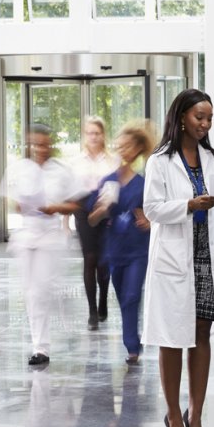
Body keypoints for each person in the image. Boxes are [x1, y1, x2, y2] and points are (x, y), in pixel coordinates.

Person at [142, 88, 214, 427]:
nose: (205, 124)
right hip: (174, 259)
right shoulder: (159, 161)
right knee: (171, 337)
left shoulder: (212, 159)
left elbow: (212, 208)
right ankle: (172, 413)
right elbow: (152, 209)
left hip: (204, 258)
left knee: (201, 333)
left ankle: (195, 415)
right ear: (181, 117)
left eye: (209, 118)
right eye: (200, 117)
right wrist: (189, 205)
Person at [5, 124, 82, 366]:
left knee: (43, 289)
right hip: (26, 235)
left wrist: (55, 208)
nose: (40, 148)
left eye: (44, 143)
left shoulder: (61, 171)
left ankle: (50, 337)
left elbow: (75, 205)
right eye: (35, 144)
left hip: (49, 236)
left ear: (50, 144)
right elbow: (10, 200)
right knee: (31, 292)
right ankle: (40, 347)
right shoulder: (19, 169)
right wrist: (19, 205)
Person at [88, 122, 155, 364]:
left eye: (128, 146)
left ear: (137, 149)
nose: (123, 149)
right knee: (123, 296)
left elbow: (156, 214)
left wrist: (150, 222)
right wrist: (103, 209)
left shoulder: (145, 182)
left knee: (131, 295)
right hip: (115, 250)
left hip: (138, 249)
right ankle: (132, 341)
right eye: (120, 145)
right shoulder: (108, 181)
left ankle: (132, 346)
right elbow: (92, 219)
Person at [71, 117, 120, 330]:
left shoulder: (112, 160)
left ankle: (103, 302)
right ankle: (92, 310)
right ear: (85, 135)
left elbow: (117, 187)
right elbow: (70, 194)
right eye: (89, 132)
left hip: (106, 212)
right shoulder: (76, 162)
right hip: (83, 212)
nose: (93, 136)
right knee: (89, 259)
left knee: (103, 262)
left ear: (103, 135)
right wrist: (65, 222)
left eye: (97, 133)